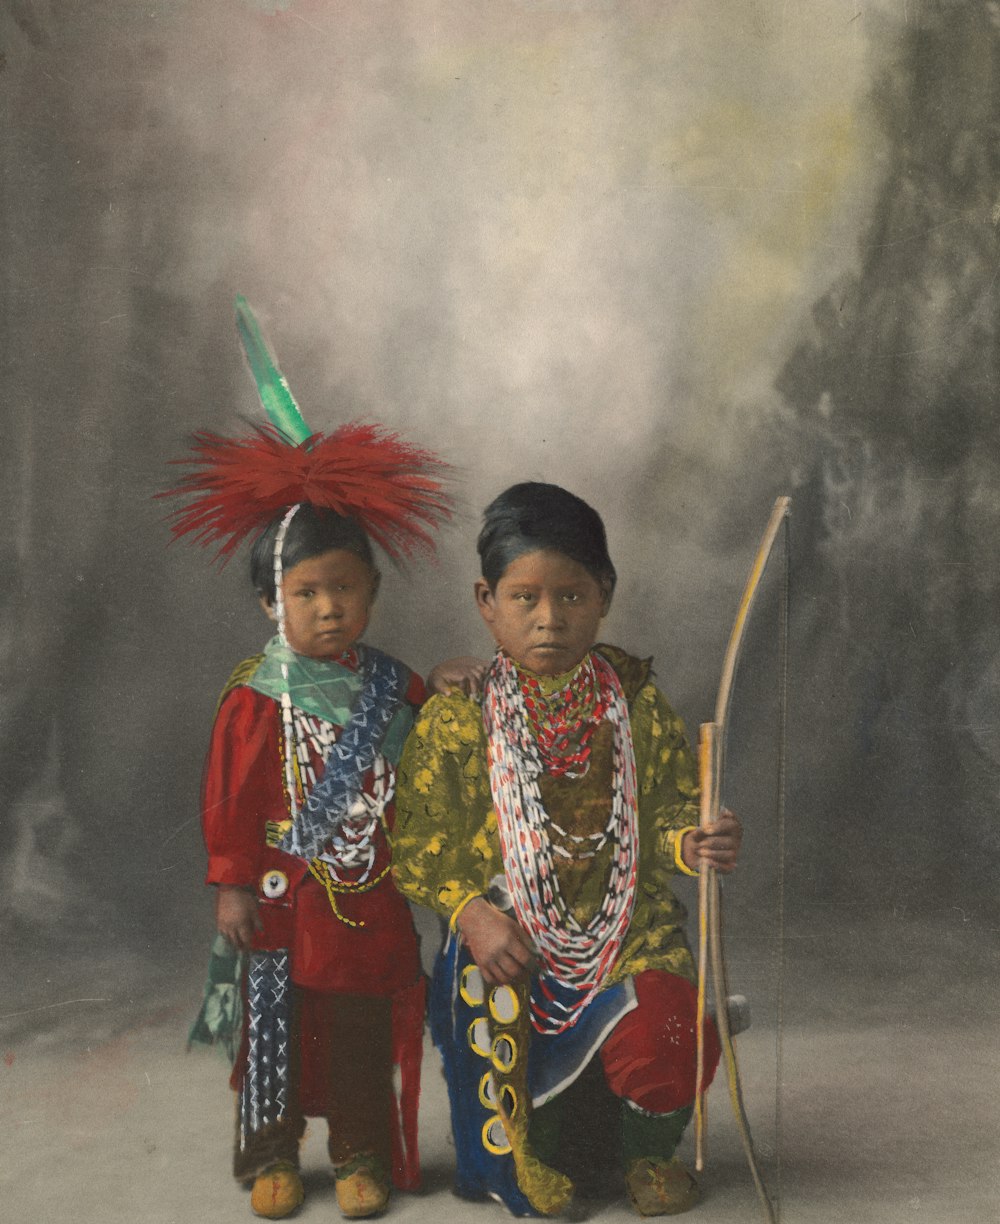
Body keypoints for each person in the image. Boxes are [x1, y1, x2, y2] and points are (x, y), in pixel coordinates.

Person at [169, 299, 476, 1220]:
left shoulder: (399, 689)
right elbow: (229, 800)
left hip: (364, 900)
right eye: (307, 592)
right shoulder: (256, 698)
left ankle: (360, 1156)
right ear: (272, 604)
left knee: (353, 1037)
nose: (329, 608)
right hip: (276, 894)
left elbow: (433, 762)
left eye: (345, 588)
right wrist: (229, 884)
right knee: (272, 1031)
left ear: (373, 592)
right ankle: (270, 1154)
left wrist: (457, 686)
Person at [392, 481, 742, 1218]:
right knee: (539, 1143)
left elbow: (670, 807)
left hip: (625, 933)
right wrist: (473, 918)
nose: (549, 619)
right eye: (525, 598)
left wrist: (693, 838)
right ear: (486, 601)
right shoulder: (462, 717)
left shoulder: (633, 699)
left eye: (573, 597)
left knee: (673, 1027)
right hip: (511, 943)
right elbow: (422, 843)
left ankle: (648, 1154)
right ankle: (540, 1149)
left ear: (605, 595)